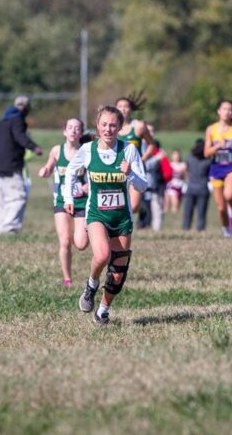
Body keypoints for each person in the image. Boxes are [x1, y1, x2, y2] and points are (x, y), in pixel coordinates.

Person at [65, 105, 147, 325]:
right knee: (101, 256)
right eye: (104, 125)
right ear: (97, 126)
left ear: (120, 127)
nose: (108, 129)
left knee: (118, 273)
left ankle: (102, 310)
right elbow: (71, 171)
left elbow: (142, 186)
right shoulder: (88, 150)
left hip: (121, 219)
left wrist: (130, 174)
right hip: (97, 215)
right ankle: (91, 285)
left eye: (113, 125)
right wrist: (69, 199)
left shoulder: (129, 150)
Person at [37, 118, 89, 286]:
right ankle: (67, 279)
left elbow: (93, 174)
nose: (73, 131)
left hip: (81, 202)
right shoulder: (57, 151)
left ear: (81, 133)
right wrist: (44, 171)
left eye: (77, 128)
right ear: (64, 131)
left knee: (80, 244)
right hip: (61, 201)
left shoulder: (86, 151)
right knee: (65, 241)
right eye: (70, 127)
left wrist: (89, 186)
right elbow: (49, 167)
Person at [0, 95, 42, 234]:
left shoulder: (2, 120)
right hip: (11, 165)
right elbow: (20, 137)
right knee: (18, 197)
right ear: (26, 108)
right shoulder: (17, 119)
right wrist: (34, 147)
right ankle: (9, 228)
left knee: (0, 199)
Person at [203, 99, 232, 237]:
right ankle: (227, 230)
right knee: (221, 208)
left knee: (229, 195)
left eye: (230, 110)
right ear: (219, 111)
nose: (227, 112)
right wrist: (217, 146)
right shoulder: (211, 129)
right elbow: (206, 153)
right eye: (224, 109)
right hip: (216, 169)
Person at [115, 94, 156, 217]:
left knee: (134, 206)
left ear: (131, 109)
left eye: (126, 106)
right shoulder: (111, 127)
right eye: (119, 106)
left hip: (135, 169)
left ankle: (138, 208)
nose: (122, 109)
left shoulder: (139, 126)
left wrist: (142, 159)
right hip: (117, 169)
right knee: (117, 204)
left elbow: (152, 144)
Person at [182, 139, 211, 231]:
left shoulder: (190, 158)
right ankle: (200, 229)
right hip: (203, 188)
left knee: (187, 212)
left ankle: (186, 228)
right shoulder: (208, 161)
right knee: (201, 212)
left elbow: (186, 170)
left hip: (190, 187)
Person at [144, 140, 172, 232]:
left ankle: (152, 227)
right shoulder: (160, 156)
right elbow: (168, 172)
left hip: (154, 186)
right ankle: (156, 228)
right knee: (157, 208)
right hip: (157, 186)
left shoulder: (156, 155)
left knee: (154, 208)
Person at [164, 149, 187, 214]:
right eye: (174, 155)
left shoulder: (183, 165)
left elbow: (185, 176)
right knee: (168, 201)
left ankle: (174, 214)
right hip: (171, 186)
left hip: (180, 186)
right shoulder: (170, 164)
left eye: (177, 155)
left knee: (177, 205)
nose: (176, 156)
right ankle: (166, 213)